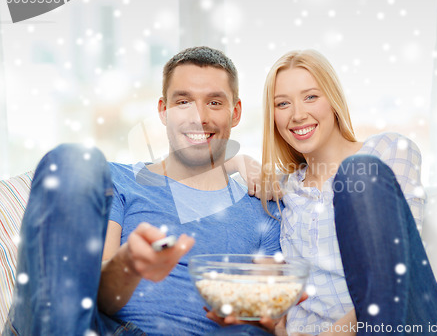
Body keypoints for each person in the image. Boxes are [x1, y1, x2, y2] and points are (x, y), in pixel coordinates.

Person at [3, 46, 281, 336]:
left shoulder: (263, 209)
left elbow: (273, 317)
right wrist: (129, 266)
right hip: (92, 327)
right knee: (75, 160)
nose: (199, 117)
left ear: (235, 113)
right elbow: (98, 299)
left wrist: (252, 315)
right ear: (163, 110)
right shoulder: (118, 181)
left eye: (214, 103)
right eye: (183, 101)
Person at [256, 49, 437, 335]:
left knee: (358, 170)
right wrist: (236, 160)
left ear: (333, 100)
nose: (298, 114)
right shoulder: (283, 191)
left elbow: (398, 265)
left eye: (311, 96)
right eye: (282, 104)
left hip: (407, 323)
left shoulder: (387, 151)